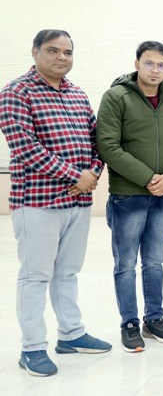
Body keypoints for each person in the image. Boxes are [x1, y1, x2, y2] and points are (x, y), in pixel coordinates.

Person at [0, 29, 112, 377]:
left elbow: (96, 141)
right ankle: (32, 347)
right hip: (37, 202)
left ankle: (71, 334)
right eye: (53, 50)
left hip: (78, 202)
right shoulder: (16, 92)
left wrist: (92, 173)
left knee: (67, 272)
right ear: (35, 52)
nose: (62, 57)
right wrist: (74, 175)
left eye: (68, 52)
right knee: (35, 276)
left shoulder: (77, 94)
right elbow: (25, 148)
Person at [97, 41, 163, 352]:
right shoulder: (116, 97)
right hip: (128, 196)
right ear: (137, 63)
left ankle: (154, 319)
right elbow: (108, 145)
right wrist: (148, 178)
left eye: (161, 65)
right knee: (125, 263)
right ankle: (129, 323)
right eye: (149, 63)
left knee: (154, 261)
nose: (155, 70)